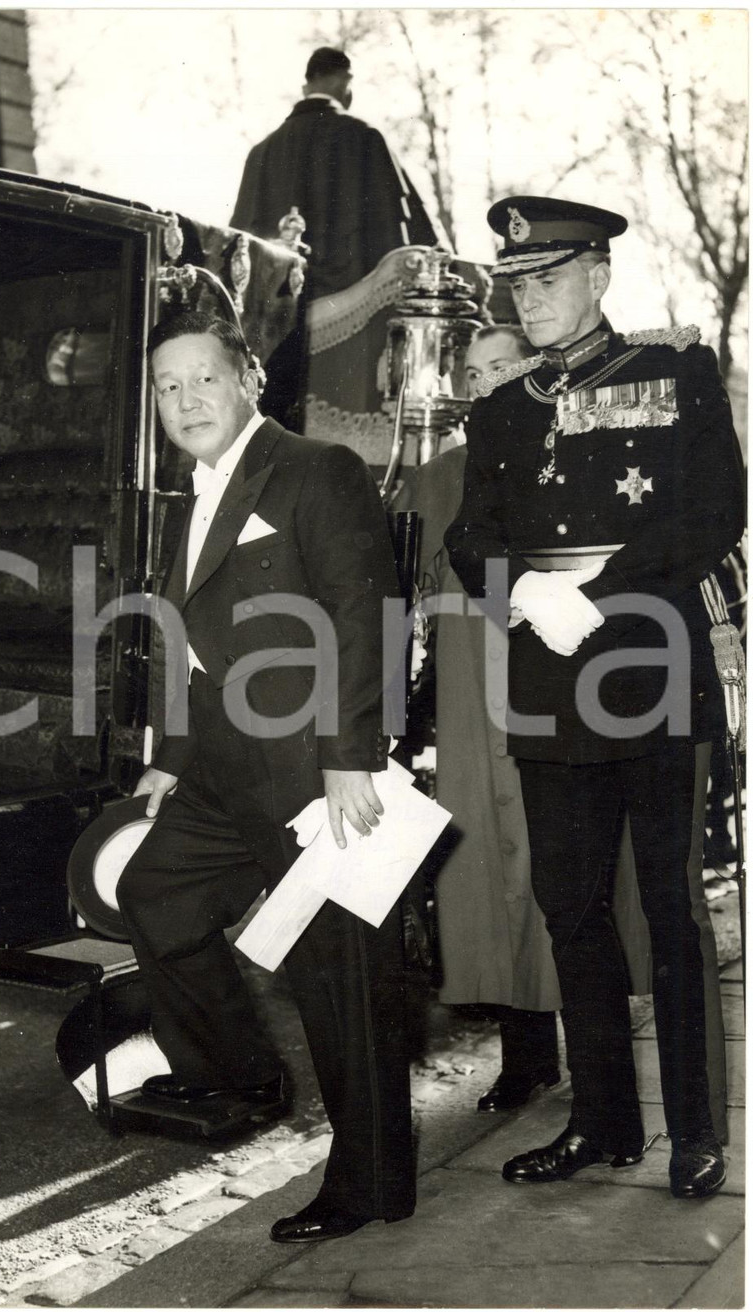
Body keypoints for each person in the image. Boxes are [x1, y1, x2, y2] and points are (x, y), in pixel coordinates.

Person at [445, 196, 744, 1198]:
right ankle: (604, 1120)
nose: (527, 297)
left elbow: (715, 510)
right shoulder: (496, 409)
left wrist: (595, 596)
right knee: (569, 907)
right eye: (516, 281)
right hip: (543, 679)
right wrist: (522, 589)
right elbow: (466, 536)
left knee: (670, 911)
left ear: (598, 275)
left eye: (547, 276)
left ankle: (697, 1130)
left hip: (649, 666)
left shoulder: (676, 374)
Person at [116, 311, 415, 1244]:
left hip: (308, 770)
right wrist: (168, 758)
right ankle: (242, 1075)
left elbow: (366, 616)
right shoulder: (192, 495)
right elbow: (180, 635)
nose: (186, 400)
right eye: (168, 386)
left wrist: (350, 759)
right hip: (216, 769)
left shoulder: (314, 468)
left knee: (339, 982)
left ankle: (370, 1185)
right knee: (152, 894)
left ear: (249, 379)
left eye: (202, 377)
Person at [416, 326, 653, 1115]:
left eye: (502, 368)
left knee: (568, 879)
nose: (486, 383)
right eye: (473, 372)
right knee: (488, 883)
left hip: (556, 694)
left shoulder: (567, 459)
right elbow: (398, 598)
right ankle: (526, 1057)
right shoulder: (433, 479)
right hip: (467, 706)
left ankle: (597, 1068)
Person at [230, 47, 439, 298]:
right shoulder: (365, 138)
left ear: (305, 88)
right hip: (355, 314)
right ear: (345, 81)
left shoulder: (261, 152)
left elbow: (239, 244)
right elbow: (411, 242)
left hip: (278, 312)